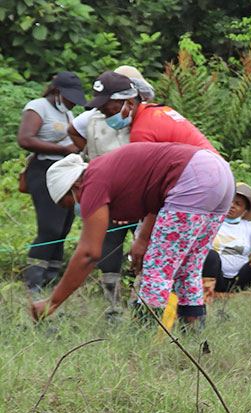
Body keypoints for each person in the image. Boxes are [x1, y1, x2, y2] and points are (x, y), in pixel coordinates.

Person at [29, 143, 236, 327]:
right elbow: (157, 198)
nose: (75, 209)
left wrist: (52, 302)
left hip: (192, 178)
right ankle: (194, 337)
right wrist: (143, 239)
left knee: (157, 269)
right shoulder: (107, 170)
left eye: (68, 204)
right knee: (188, 268)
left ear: (74, 187)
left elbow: (88, 254)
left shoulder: (91, 183)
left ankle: (142, 338)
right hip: (220, 173)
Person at [68, 66, 157, 311]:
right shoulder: (94, 117)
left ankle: (141, 302)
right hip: (108, 193)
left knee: (145, 247)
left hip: (142, 197)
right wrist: (88, 156)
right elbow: (72, 130)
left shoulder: (147, 116)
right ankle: (113, 305)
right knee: (108, 247)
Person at [16, 71, 85, 297]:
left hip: (66, 171)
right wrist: (62, 149)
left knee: (64, 227)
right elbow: (25, 139)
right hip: (44, 170)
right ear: (57, 92)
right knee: (50, 228)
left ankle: (51, 278)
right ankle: (33, 281)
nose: (73, 101)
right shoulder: (38, 107)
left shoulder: (68, 113)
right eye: (69, 97)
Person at [83, 70, 215, 152]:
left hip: (203, 178)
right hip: (217, 171)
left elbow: (144, 179)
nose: (107, 119)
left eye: (109, 113)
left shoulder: (141, 131)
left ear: (129, 102)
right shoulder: (158, 111)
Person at [201, 182, 251, 294]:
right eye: (230, 201)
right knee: (210, 255)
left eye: (238, 204)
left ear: (244, 212)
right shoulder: (211, 222)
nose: (232, 205)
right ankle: (205, 297)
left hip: (239, 280)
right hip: (216, 276)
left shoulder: (250, 227)